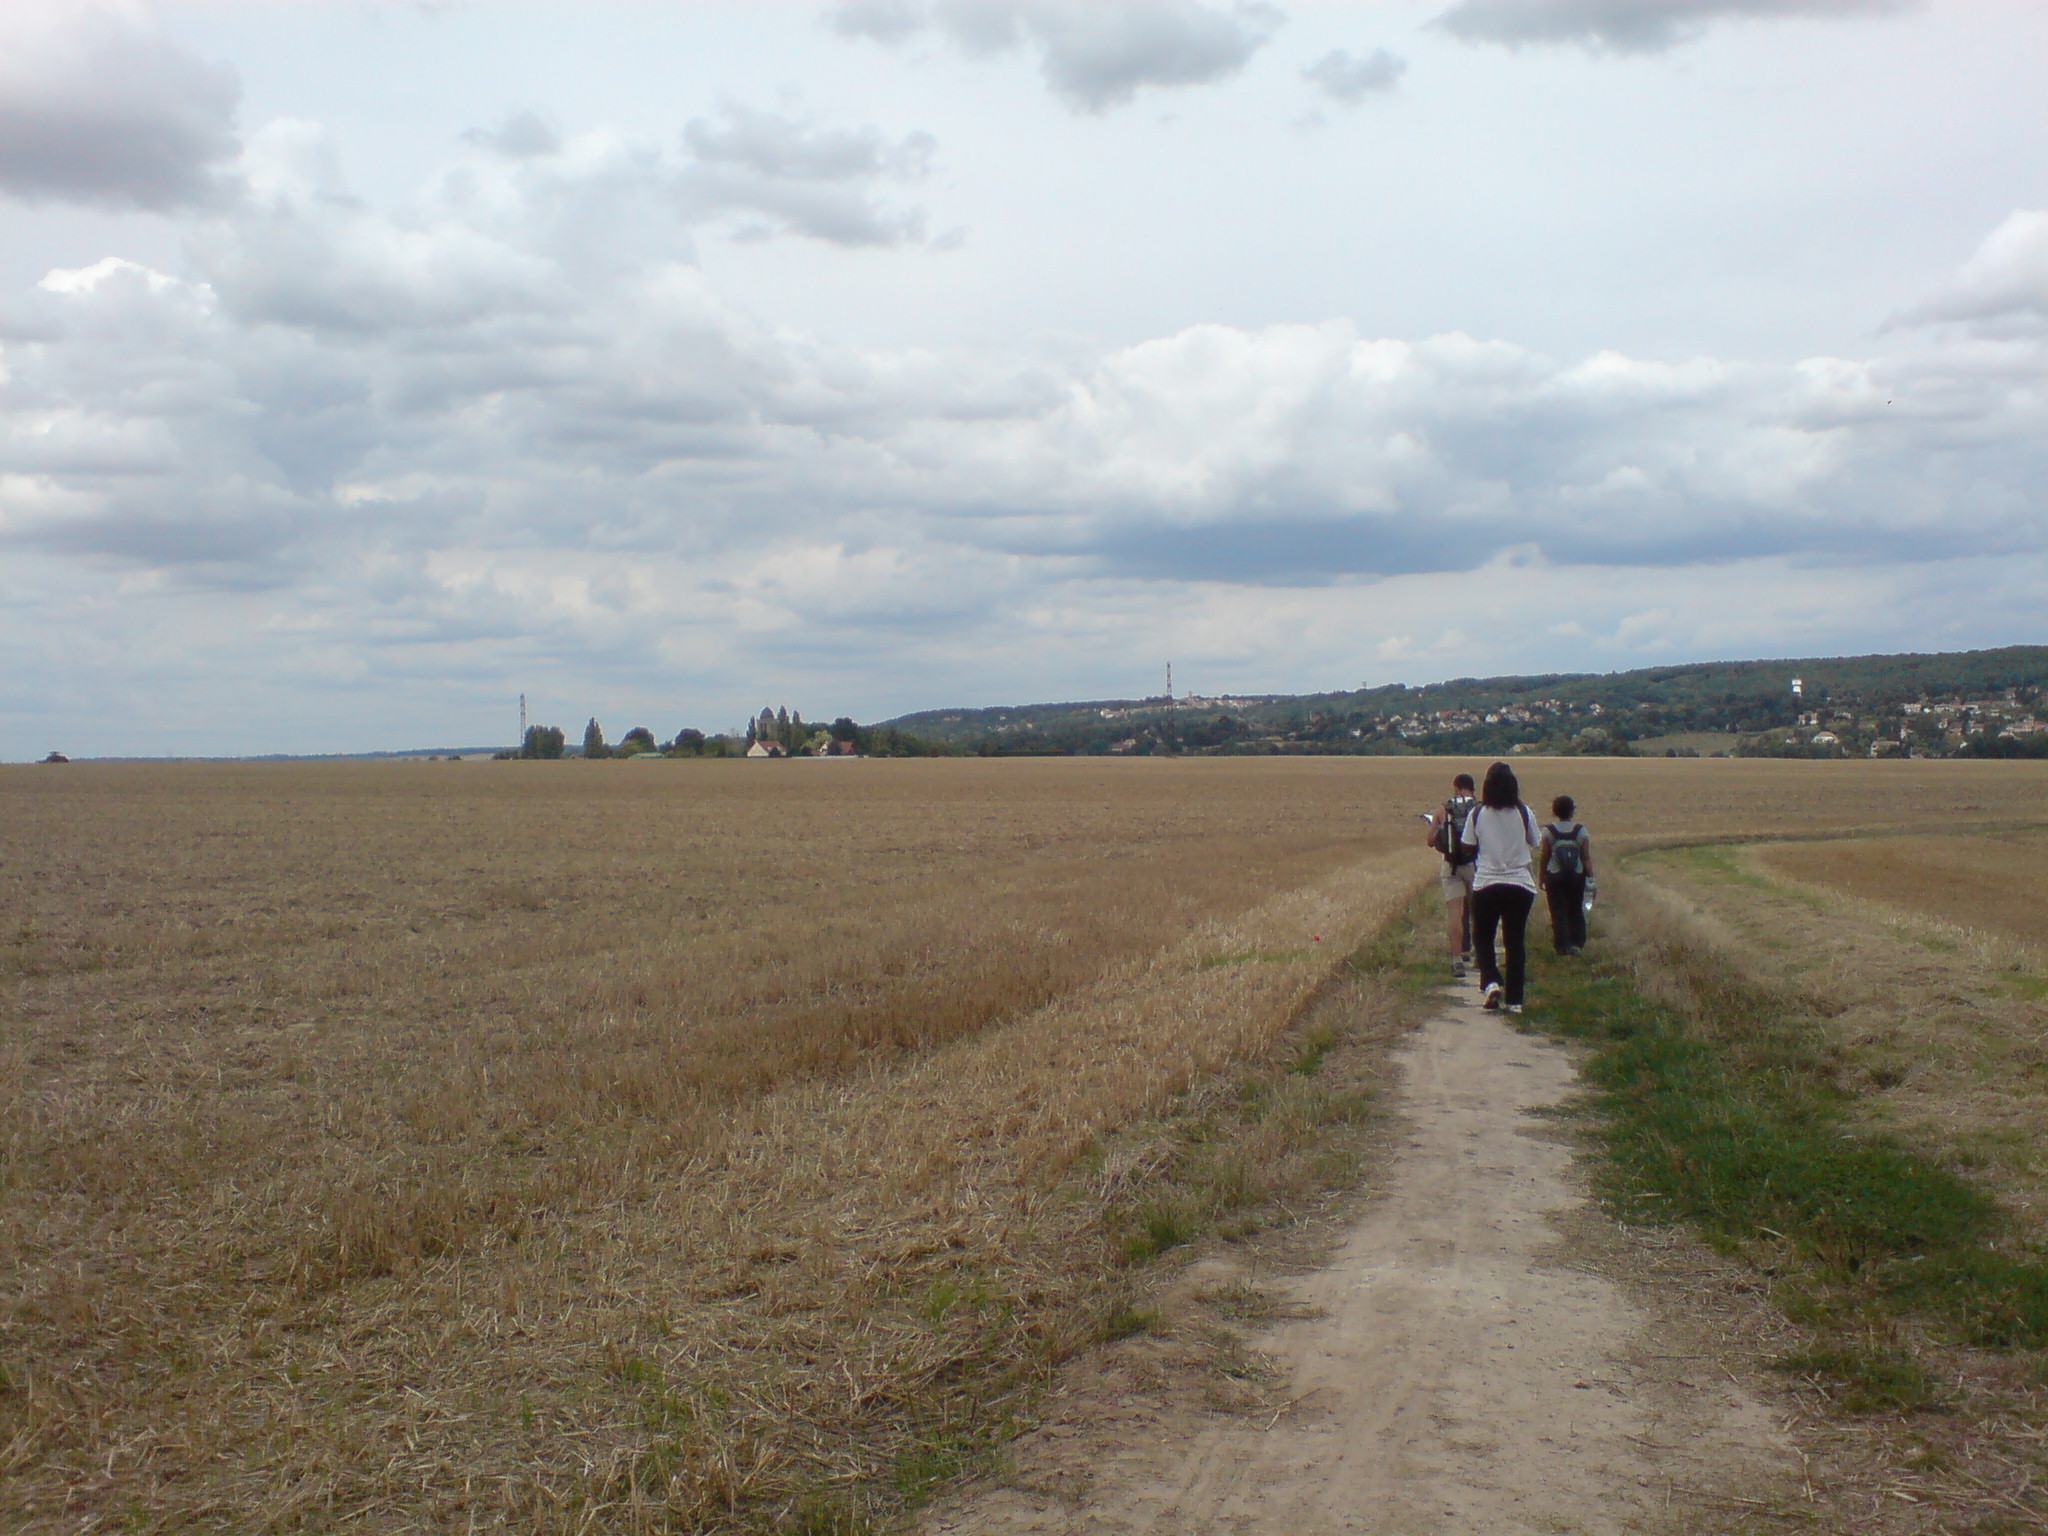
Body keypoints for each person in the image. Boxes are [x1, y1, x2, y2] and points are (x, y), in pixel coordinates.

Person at [1458, 761, 1540, 1015]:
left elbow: (1467, 845)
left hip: (1487, 884)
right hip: (1520, 885)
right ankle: (1515, 1001)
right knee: (1515, 942)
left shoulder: (1478, 813)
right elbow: (1535, 841)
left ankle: (1491, 982)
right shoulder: (1523, 811)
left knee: (1483, 938)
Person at [1427, 772, 1479, 979]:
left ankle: (1457, 960)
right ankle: (1479, 955)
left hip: (1451, 866)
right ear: (1473, 789)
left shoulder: (1443, 808)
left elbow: (1430, 840)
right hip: (1476, 865)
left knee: (1455, 914)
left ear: (1455, 788)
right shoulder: (1480, 809)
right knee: (1479, 913)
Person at [1538, 794, 1592, 957]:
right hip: (1577, 876)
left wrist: (1541, 876)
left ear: (1555, 811)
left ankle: (1562, 946)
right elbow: (1585, 857)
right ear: (1572, 811)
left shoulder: (1548, 831)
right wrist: (1591, 877)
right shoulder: (1581, 830)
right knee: (1576, 909)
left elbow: (1545, 856)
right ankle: (1577, 944)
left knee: (1558, 911)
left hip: (1555, 876)